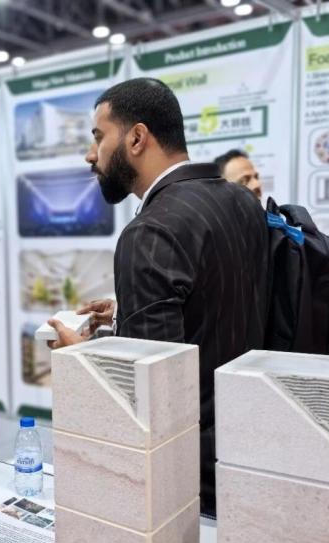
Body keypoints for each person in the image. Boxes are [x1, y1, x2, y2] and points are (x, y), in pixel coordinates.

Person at [48, 78, 269, 517]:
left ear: (136, 138)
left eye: (98, 137)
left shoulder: (150, 232)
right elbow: (218, 304)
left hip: (187, 473)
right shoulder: (241, 202)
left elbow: (148, 393)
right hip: (250, 447)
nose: (91, 155)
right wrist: (127, 313)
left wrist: (79, 356)